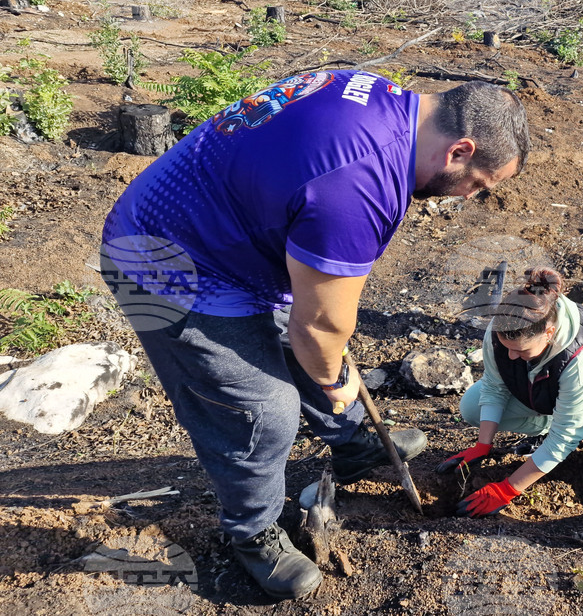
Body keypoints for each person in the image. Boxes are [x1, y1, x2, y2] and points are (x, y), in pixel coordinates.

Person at [101, 70, 530, 599]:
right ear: (459, 151)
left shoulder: (372, 92)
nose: (467, 196)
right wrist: (335, 378)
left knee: (311, 337)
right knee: (262, 409)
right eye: (478, 186)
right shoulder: (360, 181)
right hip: (163, 263)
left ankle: (352, 444)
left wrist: (327, 349)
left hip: (231, 237)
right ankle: (251, 532)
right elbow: (321, 327)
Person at [436, 268, 583, 517]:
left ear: (549, 334)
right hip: (555, 379)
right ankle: (545, 426)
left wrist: (508, 489)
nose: (511, 356)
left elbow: (566, 437)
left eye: (521, 351)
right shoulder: (502, 328)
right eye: (507, 347)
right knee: (473, 407)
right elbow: (495, 387)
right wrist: (482, 445)